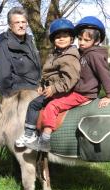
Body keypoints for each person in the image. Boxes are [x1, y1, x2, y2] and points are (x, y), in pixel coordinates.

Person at [15, 18, 90, 152]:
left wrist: (54, 89)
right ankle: (31, 132)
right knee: (35, 102)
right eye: (57, 37)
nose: (61, 39)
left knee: (34, 104)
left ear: (72, 39)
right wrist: (42, 84)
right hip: (52, 88)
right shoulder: (54, 55)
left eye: (65, 36)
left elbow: (70, 79)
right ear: (53, 40)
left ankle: (30, 135)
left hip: (62, 91)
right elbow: (48, 73)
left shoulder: (70, 57)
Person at [0, 7, 41, 97]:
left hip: (37, 91)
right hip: (19, 97)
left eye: (23, 22)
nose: (21, 25)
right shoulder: (3, 46)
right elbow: (3, 83)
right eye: (17, 22)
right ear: (10, 25)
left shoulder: (30, 43)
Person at [73, 16, 110, 108]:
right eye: (80, 39)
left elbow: (104, 73)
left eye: (86, 40)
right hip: (78, 90)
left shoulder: (94, 55)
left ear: (96, 41)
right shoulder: (82, 53)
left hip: (85, 93)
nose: (81, 43)